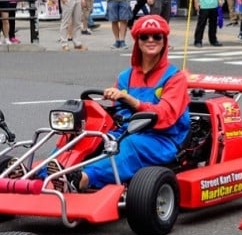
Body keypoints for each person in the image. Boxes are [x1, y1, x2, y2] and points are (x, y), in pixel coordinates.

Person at [47, 15, 190, 192]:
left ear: (164, 40)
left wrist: (131, 100)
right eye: (145, 36)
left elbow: (165, 115)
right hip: (127, 130)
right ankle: (40, 175)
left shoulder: (175, 78)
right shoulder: (126, 77)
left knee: (130, 144)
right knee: (87, 136)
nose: (150, 40)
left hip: (163, 139)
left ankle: (83, 179)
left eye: (156, 36)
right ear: (137, 41)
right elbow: (118, 114)